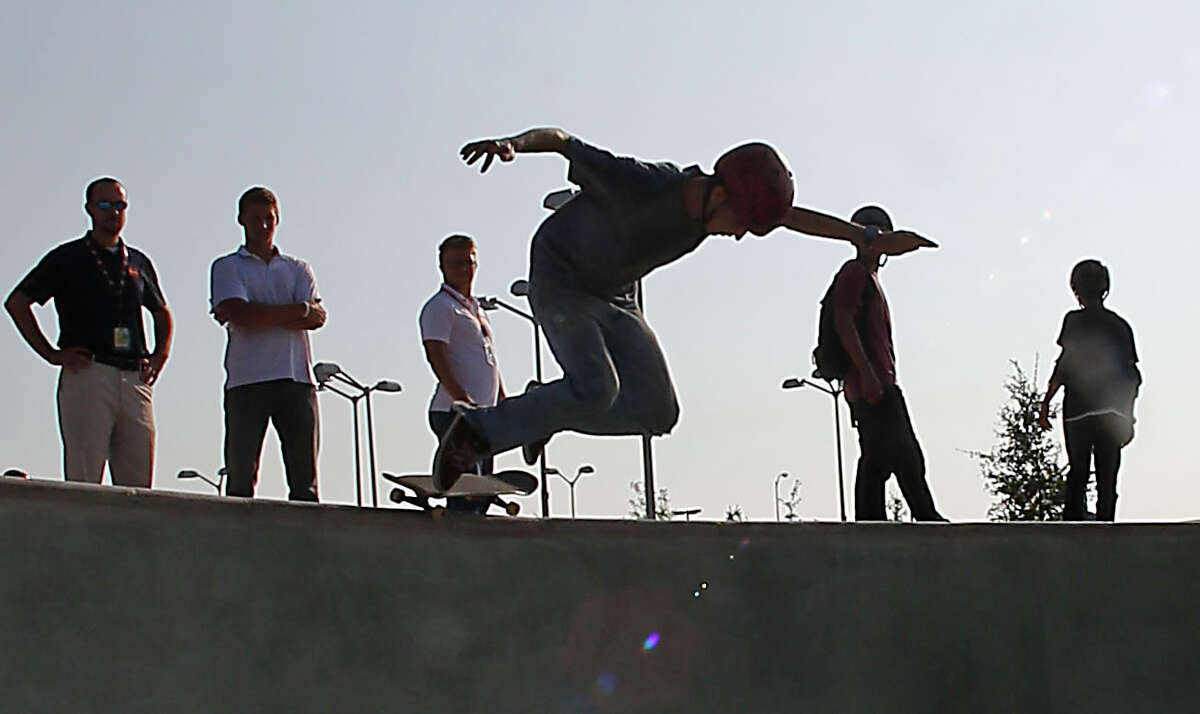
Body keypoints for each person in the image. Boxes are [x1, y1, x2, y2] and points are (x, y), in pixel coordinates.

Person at [435, 127, 933, 489]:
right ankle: (475, 433)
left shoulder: (727, 203)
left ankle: (547, 408)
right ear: (721, 194)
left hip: (616, 296)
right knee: (597, 388)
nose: (738, 235)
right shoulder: (649, 183)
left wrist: (867, 236)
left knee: (659, 410)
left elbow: (792, 218)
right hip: (560, 279)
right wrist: (512, 146)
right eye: (739, 223)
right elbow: (563, 141)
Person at [4, 177, 173, 487]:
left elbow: (161, 311)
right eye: (105, 205)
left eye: (120, 205)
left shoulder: (137, 261)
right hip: (88, 373)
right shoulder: (68, 257)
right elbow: (17, 303)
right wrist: (51, 354)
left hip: (134, 375)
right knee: (84, 478)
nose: (114, 213)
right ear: (90, 209)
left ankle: (132, 537)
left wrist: (160, 356)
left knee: (138, 486)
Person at [210, 187, 326, 501]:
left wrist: (262, 313)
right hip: (247, 383)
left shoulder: (297, 268)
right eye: (256, 218)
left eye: (269, 219)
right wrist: (297, 310)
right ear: (241, 220)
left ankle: (306, 542)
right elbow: (239, 314)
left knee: (305, 479)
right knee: (241, 477)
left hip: (296, 381)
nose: (263, 225)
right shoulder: (228, 266)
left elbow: (316, 318)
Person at [832, 205, 945, 522]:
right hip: (874, 383)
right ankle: (925, 515)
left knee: (877, 457)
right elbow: (843, 320)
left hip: (874, 380)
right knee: (905, 451)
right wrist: (866, 372)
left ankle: (869, 521)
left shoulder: (868, 278)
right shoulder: (854, 273)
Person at [1038, 259, 1140, 521]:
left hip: (1078, 412)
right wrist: (1128, 416)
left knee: (1078, 472)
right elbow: (1131, 377)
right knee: (1107, 476)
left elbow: (1064, 364)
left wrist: (1046, 402)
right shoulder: (1120, 326)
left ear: (1076, 289)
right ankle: (1105, 524)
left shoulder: (1073, 321)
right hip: (1110, 412)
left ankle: (1073, 525)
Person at [419, 234, 507, 512]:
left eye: (468, 263)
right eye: (456, 263)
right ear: (443, 267)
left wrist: (502, 398)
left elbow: (486, 358)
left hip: (484, 415)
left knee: (481, 491)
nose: (464, 269)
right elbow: (436, 354)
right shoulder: (440, 307)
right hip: (455, 413)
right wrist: (462, 400)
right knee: (466, 491)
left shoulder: (476, 309)